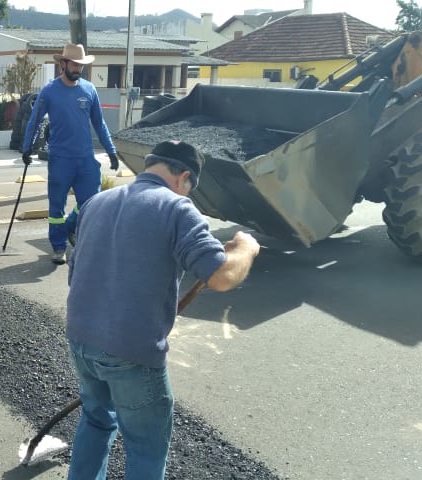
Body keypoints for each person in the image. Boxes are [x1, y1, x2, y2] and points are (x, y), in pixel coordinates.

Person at [64, 140, 261, 480]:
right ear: (183, 177)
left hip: (81, 340)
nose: (187, 196)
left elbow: (77, 273)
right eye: (189, 188)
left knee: (96, 420)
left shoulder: (96, 202)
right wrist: (246, 249)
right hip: (132, 353)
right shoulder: (177, 209)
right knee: (145, 445)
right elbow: (221, 277)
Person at [20, 43, 119, 265]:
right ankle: (58, 247)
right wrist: (27, 147)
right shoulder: (49, 91)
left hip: (85, 159)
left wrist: (111, 151)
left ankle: (69, 228)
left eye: (80, 65)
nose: (78, 68)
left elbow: (99, 124)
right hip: (60, 159)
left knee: (90, 203)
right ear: (63, 64)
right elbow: (35, 121)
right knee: (56, 207)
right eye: (74, 64)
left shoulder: (89, 89)